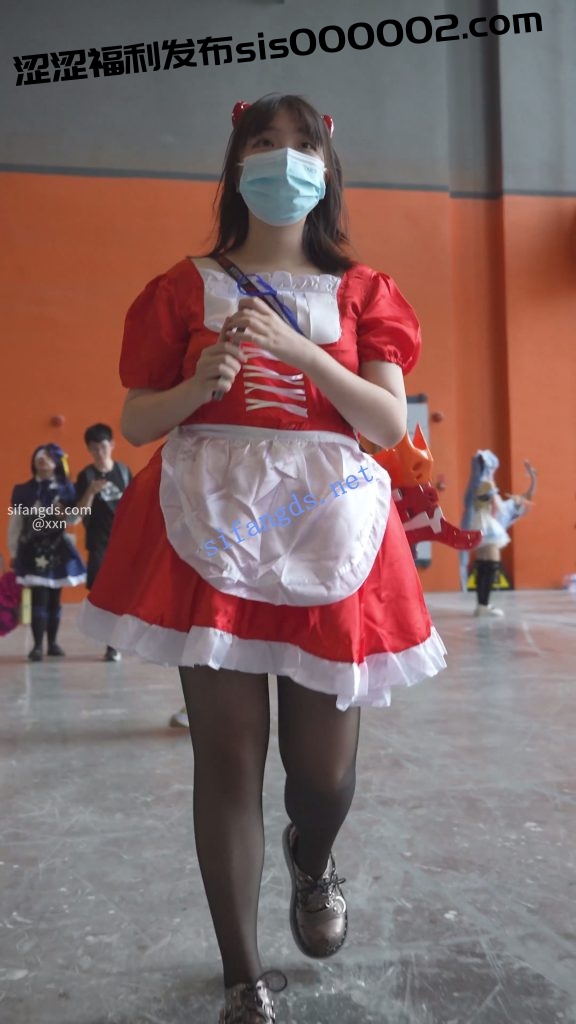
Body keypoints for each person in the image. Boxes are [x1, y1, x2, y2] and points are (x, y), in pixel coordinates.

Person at [78, 94, 447, 1024]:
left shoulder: (364, 290)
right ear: (236, 162)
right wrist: (197, 385)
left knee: (322, 776)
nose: (284, 159)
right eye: (265, 143)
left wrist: (302, 354)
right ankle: (242, 978)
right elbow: (135, 418)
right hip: (215, 522)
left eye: (301, 146)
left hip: (328, 520)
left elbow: (387, 423)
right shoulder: (183, 287)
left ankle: (312, 858)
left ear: (326, 169)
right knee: (227, 760)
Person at [8, 444, 86, 660]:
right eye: (39, 457)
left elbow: (74, 520)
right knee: (38, 598)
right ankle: (37, 646)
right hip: (32, 549)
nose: (42, 460)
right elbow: (15, 523)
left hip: (58, 549)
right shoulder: (24, 490)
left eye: (48, 457)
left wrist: (68, 513)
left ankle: (52, 643)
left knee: (54, 599)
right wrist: (13, 550)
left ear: (57, 463)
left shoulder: (67, 490)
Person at [75, 423, 132, 661]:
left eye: (103, 446)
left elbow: (134, 506)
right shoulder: (86, 476)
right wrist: (90, 491)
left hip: (123, 542)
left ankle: (115, 643)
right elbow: (78, 513)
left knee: (122, 593)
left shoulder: (123, 472)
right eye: (94, 448)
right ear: (89, 450)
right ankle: (111, 641)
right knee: (103, 594)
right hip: (98, 542)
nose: (100, 452)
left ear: (112, 445)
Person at [461, 450, 536, 616]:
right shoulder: (486, 485)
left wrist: (532, 480)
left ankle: (482, 605)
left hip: (480, 525)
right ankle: (483, 605)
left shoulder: (478, 484)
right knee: (490, 565)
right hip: (486, 526)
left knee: (483, 565)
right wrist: (511, 501)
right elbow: (497, 506)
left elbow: (520, 500)